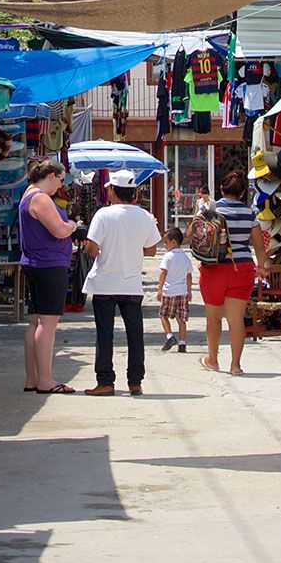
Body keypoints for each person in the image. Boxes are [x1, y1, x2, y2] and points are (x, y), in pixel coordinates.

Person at [82, 169, 162, 396]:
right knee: (135, 335)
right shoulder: (144, 216)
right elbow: (151, 250)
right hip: (132, 284)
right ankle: (135, 381)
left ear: (113, 191)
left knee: (104, 335)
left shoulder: (103, 215)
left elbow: (92, 249)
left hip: (105, 283)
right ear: (134, 194)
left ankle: (105, 381)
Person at [18, 159, 79, 395]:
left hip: (36, 263)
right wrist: (73, 225)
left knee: (35, 321)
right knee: (48, 323)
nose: (60, 186)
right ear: (51, 176)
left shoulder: (28, 194)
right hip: (48, 265)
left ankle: (32, 378)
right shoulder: (41, 198)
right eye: (61, 180)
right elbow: (59, 229)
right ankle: (45, 380)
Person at [198, 170, 265, 376]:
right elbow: (259, 246)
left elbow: (193, 233)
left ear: (221, 189)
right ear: (243, 191)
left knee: (213, 317)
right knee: (236, 319)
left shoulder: (211, 209)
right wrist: (261, 266)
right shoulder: (249, 214)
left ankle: (213, 359)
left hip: (214, 267)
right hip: (242, 268)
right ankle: (235, 365)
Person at [157, 228, 194, 353]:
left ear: (173, 242)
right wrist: (189, 290)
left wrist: (159, 289)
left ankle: (170, 336)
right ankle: (182, 344)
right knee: (181, 319)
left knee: (163, 315)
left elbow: (163, 272)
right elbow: (189, 275)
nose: (164, 244)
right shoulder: (185, 257)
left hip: (169, 292)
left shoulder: (168, 257)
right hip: (182, 292)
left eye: (166, 242)